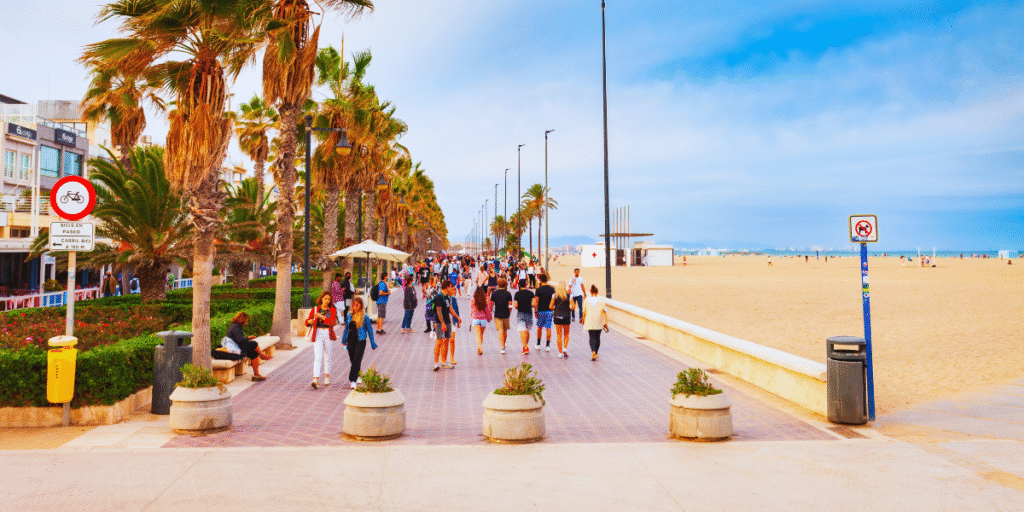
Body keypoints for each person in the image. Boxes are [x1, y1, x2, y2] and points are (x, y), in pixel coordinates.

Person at [222, 312, 273, 381]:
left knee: (253, 353)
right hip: (233, 348)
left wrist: (247, 339)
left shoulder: (236, 326)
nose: (247, 322)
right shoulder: (236, 327)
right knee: (254, 343)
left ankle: (256, 374)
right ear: (243, 320)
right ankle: (262, 355)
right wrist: (248, 338)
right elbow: (239, 340)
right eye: (246, 321)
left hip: (235, 346)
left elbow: (238, 340)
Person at [340, 297, 377, 389]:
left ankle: (353, 380)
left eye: (357, 304)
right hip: (350, 339)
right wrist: (344, 340)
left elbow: (370, 330)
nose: (355, 306)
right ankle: (358, 374)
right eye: (354, 304)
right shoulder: (349, 314)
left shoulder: (365, 316)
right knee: (353, 360)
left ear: (361, 305)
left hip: (361, 340)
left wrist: (373, 343)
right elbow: (346, 329)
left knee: (357, 359)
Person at [305, 291, 339, 389]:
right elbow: (307, 321)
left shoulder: (332, 310)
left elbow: (332, 322)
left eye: (329, 299)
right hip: (318, 333)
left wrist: (322, 317)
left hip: (328, 333)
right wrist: (309, 321)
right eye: (325, 299)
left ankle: (327, 376)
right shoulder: (316, 309)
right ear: (321, 299)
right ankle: (315, 379)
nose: (327, 301)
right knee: (318, 357)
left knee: (328, 356)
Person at [432, 280, 462, 371]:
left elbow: (450, 309)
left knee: (447, 342)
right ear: (447, 287)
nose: (452, 289)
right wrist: (442, 323)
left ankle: (444, 361)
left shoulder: (447, 297)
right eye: (451, 287)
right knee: (439, 342)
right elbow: (439, 311)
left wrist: (457, 317)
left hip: (448, 322)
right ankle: (436, 363)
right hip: (440, 323)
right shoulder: (439, 297)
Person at [581, 284, 608, 361]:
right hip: (598, 320)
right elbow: (603, 311)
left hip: (589, 320)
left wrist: (583, 319)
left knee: (591, 336)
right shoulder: (600, 300)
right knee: (597, 337)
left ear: (590, 291)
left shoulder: (586, 300)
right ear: (597, 292)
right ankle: (595, 352)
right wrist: (606, 322)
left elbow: (584, 311)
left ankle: (593, 352)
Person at [513, 277, 535, 354]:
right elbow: (535, 303)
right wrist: (530, 306)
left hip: (520, 313)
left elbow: (515, 305)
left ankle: (525, 346)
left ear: (519, 285)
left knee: (522, 330)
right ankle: (526, 346)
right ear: (526, 284)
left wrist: (520, 306)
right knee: (528, 330)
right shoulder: (531, 293)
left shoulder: (517, 294)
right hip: (529, 313)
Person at [490, 278, 513, 354]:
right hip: (506, 313)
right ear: (505, 284)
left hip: (497, 313)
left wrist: (490, 311)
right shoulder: (508, 293)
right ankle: (504, 343)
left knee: (500, 330)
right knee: (505, 330)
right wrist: (509, 312)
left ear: (498, 284)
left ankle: (502, 347)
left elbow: (491, 304)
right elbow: (510, 305)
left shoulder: (494, 293)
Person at [533, 273, 555, 351]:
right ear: (547, 280)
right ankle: (547, 346)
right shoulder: (552, 289)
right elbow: (554, 300)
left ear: (540, 280)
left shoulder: (538, 290)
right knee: (548, 328)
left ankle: (538, 344)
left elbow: (536, 301)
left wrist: (535, 311)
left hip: (541, 311)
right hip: (549, 311)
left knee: (539, 327)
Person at [552, 280, 573, 358]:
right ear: (565, 287)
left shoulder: (554, 296)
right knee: (566, 334)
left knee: (558, 335)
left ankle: (560, 353)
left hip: (557, 316)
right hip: (566, 316)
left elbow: (551, 306)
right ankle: (565, 348)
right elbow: (573, 306)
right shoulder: (569, 296)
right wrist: (568, 309)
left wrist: (555, 309)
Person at [470, 285, 492, 355]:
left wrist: (472, 316)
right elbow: (487, 310)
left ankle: (480, 347)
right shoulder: (485, 300)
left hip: (475, 319)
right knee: (481, 334)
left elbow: (472, 309)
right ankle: (479, 347)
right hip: (483, 320)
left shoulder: (473, 300)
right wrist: (489, 318)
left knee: (477, 335)